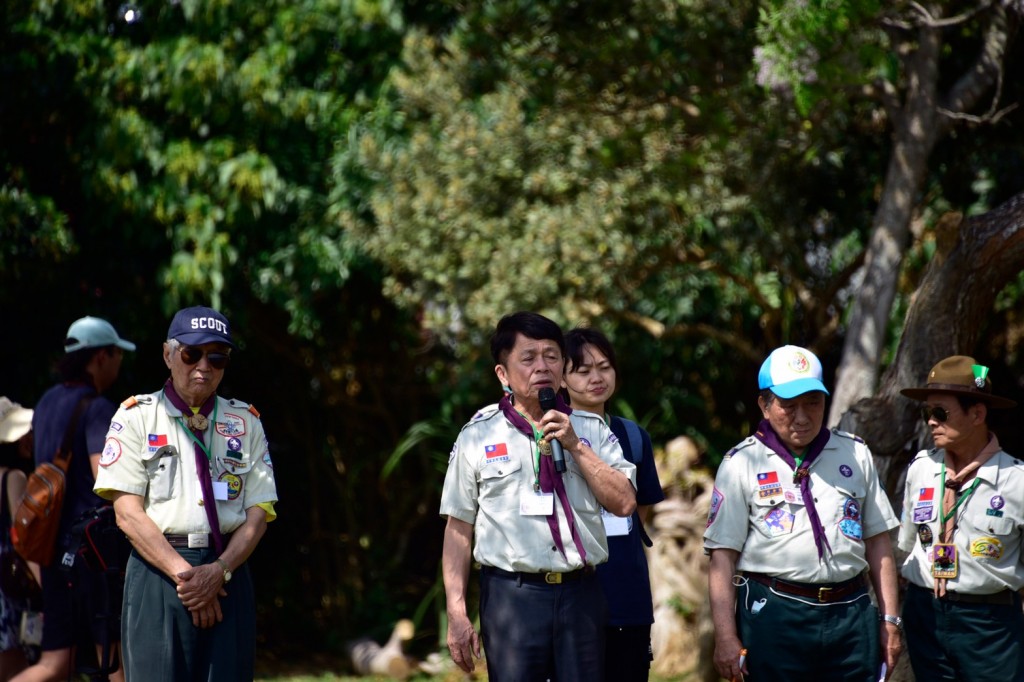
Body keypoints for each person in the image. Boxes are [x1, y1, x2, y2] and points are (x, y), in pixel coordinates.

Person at [440, 311, 637, 682]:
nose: (542, 367)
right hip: (512, 598)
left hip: (581, 595)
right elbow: (458, 527)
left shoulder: (591, 429)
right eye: (528, 358)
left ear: (563, 368)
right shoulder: (477, 436)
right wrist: (456, 610)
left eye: (551, 356)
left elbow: (624, 502)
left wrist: (576, 446)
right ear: (503, 375)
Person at [93, 305, 278, 682]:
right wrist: (189, 578)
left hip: (228, 570)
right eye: (191, 354)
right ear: (167, 354)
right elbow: (127, 513)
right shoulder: (136, 417)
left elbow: (259, 512)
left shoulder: (245, 422)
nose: (203, 367)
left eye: (217, 356)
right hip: (158, 572)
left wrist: (219, 571)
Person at [704, 345, 902, 681]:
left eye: (813, 402)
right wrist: (725, 636)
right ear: (765, 406)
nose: (802, 416)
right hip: (776, 614)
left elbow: (878, 542)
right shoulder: (741, 463)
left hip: (850, 614)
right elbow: (722, 557)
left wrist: (890, 620)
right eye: (788, 405)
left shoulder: (854, 453)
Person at [12, 317, 135, 682]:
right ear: (100, 357)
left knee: (54, 664)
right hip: (91, 554)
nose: (119, 363)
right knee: (112, 661)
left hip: (52, 552)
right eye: (117, 355)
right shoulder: (98, 408)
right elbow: (106, 477)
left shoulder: (47, 401)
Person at [897, 355, 1023, 681]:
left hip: (989, 622)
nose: (930, 422)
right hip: (924, 612)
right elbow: (907, 545)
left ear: (977, 413)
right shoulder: (922, 468)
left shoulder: (1016, 480)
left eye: (940, 413)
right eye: (927, 413)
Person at [562, 327, 664, 682]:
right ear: (561, 378)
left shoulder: (634, 435)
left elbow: (640, 510)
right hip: (571, 601)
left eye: (604, 367)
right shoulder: (549, 434)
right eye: (583, 370)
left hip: (627, 597)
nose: (596, 377)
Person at [0, 398, 36, 680]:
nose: (30, 436)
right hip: (6, 589)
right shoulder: (13, 478)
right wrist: (43, 584)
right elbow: (24, 540)